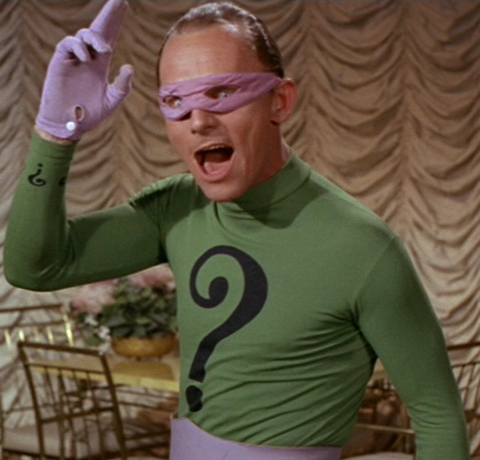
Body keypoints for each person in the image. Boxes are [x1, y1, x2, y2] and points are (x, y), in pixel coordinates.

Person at [4, 1, 470, 459]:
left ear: (280, 101)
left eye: (222, 94)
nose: (199, 121)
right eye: (176, 102)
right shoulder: (176, 209)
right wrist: (54, 136)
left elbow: (437, 416)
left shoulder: (363, 246)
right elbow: (34, 268)